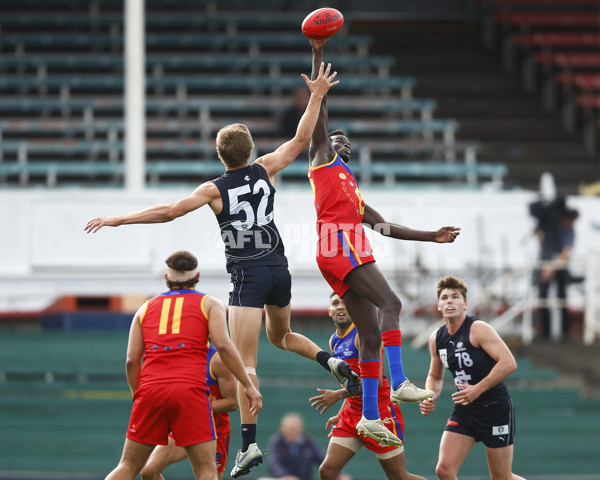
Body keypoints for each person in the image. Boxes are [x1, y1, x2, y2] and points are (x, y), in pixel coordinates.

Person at [85, 63, 360, 479]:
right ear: (249, 150)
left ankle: (248, 446)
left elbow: (168, 213)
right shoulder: (267, 166)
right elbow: (303, 138)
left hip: (247, 276)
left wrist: (117, 219)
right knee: (281, 335)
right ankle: (329, 359)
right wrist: (318, 94)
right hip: (279, 268)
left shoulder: (214, 189)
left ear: (220, 154)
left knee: (246, 363)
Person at [305, 37, 461, 447]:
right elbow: (320, 118)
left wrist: (433, 236)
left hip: (339, 248)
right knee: (392, 304)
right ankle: (400, 382)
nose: (343, 143)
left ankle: (371, 416)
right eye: (338, 139)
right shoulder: (322, 160)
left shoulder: (352, 191)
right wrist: (319, 57)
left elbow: (385, 227)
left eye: (347, 143)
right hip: (340, 244)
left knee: (371, 335)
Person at [104, 250, 262, 480]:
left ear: (166, 278)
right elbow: (225, 347)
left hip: (150, 389)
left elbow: (131, 361)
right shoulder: (209, 304)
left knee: (127, 466)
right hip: (190, 392)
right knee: (206, 470)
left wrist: (138, 395)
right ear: (197, 275)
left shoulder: (144, 308)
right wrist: (248, 385)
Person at [308, 292, 427, 480]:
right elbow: (350, 381)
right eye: (335, 303)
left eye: (345, 302)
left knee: (399, 477)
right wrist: (340, 414)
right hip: (351, 415)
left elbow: (376, 382)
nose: (340, 306)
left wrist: (338, 395)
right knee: (327, 471)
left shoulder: (364, 336)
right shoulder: (334, 340)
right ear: (329, 311)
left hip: (380, 413)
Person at [419, 275, 525, 480]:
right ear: (439, 306)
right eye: (444, 297)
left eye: (455, 297)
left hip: (495, 408)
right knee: (444, 469)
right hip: (465, 411)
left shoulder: (478, 329)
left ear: (465, 304)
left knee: (501, 477)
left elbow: (509, 362)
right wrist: (429, 395)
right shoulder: (437, 338)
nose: (449, 301)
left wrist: (478, 388)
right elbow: (434, 375)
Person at [140, 341, 237, 480]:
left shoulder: (217, 360)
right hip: (184, 427)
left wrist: (196, 406)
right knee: (148, 472)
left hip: (214, 432)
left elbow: (232, 403)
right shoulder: (178, 356)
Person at [533, 204, 579, 339]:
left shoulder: (568, 230)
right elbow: (546, 245)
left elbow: (566, 253)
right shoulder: (554, 229)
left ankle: (564, 332)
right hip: (548, 264)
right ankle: (545, 331)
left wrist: (551, 267)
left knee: (561, 297)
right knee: (543, 298)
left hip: (557, 267)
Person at [267, 412, 328, 480]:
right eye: (290, 428)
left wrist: (338, 475)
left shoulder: (309, 442)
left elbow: (323, 460)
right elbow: (274, 463)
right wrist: (285, 477)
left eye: (294, 428)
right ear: (282, 429)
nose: (292, 431)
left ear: (301, 429)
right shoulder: (276, 443)